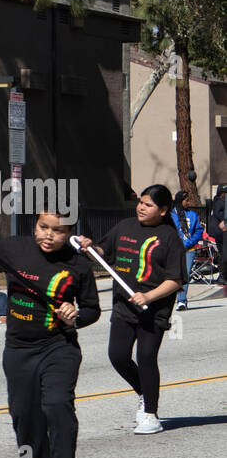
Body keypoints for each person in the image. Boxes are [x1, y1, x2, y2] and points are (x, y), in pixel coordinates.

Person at [0, 212, 100, 458]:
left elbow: (92, 309)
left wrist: (75, 315)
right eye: (44, 227)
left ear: (70, 232)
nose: (49, 235)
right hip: (19, 350)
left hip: (59, 347)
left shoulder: (78, 264)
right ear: (35, 225)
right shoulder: (15, 248)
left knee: (57, 407)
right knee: (24, 419)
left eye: (58, 231)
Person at [73, 185, 186, 435]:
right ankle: (145, 393)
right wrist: (90, 248)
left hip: (153, 310)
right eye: (141, 202)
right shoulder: (125, 226)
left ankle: (150, 413)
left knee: (146, 357)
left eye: (148, 205)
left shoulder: (169, 238)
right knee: (118, 356)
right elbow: (103, 253)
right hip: (123, 306)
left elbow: (175, 280)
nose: (141, 208)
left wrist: (148, 296)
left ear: (163, 210)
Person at [171, 190, 203, 310]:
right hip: (174, 250)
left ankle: (182, 301)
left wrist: (190, 242)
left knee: (185, 275)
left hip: (189, 249)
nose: (188, 202)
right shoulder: (171, 215)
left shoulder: (193, 214)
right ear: (180, 201)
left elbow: (198, 231)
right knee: (175, 275)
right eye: (186, 200)